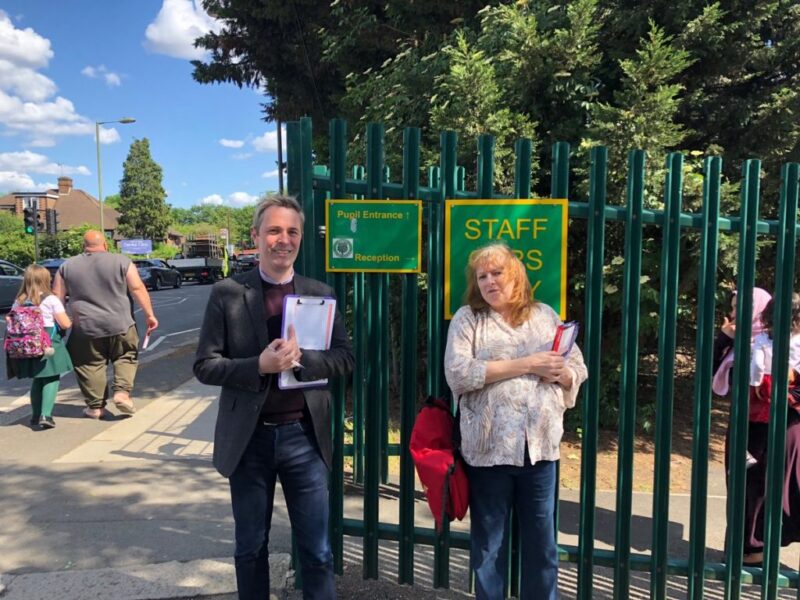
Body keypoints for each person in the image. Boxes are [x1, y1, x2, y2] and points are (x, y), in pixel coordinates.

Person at [194, 195, 354, 600]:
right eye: (274, 231)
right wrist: (259, 366)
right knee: (250, 548)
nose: (284, 240)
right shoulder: (227, 292)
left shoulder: (320, 292)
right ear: (256, 236)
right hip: (249, 440)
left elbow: (345, 358)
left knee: (318, 552)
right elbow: (205, 365)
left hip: (304, 437)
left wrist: (306, 361)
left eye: (292, 231)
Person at [443, 243, 587, 600]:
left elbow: (577, 368)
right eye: (482, 276)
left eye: (497, 273)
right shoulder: (468, 319)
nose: (490, 281)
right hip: (487, 452)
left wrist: (561, 374)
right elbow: (458, 373)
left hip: (538, 451)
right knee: (489, 547)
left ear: (516, 276)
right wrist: (528, 364)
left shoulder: (545, 316)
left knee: (542, 547)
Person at [52, 230, 158, 418]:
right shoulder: (122, 261)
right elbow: (137, 288)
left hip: (85, 326)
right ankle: (122, 393)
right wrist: (150, 315)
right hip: (121, 323)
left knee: (88, 364)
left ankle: (95, 407)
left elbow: (57, 297)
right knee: (126, 356)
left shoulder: (66, 266)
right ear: (106, 245)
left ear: (83, 246)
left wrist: (59, 325)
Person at [712, 287, 772, 564]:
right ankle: (739, 546)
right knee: (736, 484)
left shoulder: (770, 343)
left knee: (757, 487)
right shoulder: (736, 344)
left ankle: (754, 549)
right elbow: (709, 372)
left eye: (739, 308)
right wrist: (724, 337)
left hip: (765, 427)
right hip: (739, 425)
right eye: (733, 307)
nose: (733, 313)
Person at [6, 265, 73, 429]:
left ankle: (35, 415)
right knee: (51, 377)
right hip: (48, 340)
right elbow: (65, 324)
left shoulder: (19, 300)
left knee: (38, 378)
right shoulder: (51, 299)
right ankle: (46, 415)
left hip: (28, 343)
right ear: (45, 279)